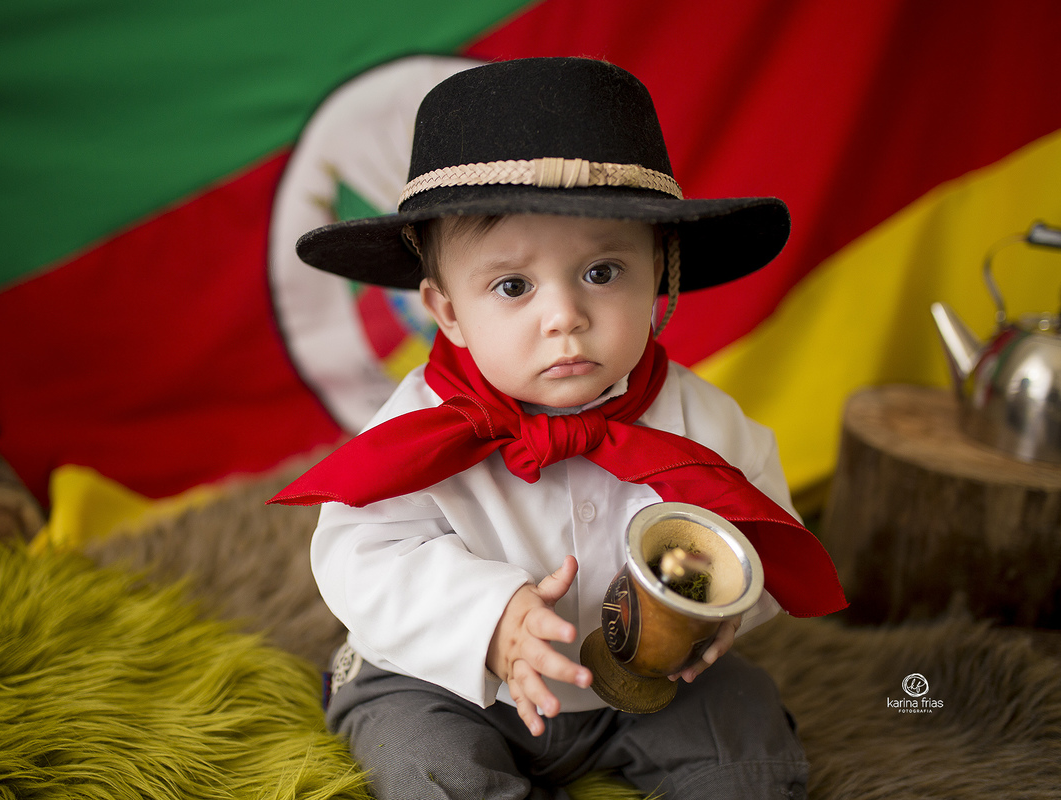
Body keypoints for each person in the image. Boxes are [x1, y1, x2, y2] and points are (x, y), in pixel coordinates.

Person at [272, 57, 846, 800]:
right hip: (448, 679)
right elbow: (362, 558)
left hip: (644, 679)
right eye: (512, 286)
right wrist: (488, 620)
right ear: (448, 312)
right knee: (422, 762)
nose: (565, 316)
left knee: (745, 742)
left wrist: (724, 608)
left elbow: (753, 529)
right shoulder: (415, 429)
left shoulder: (705, 423)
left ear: (659, 274)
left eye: (602, 272)